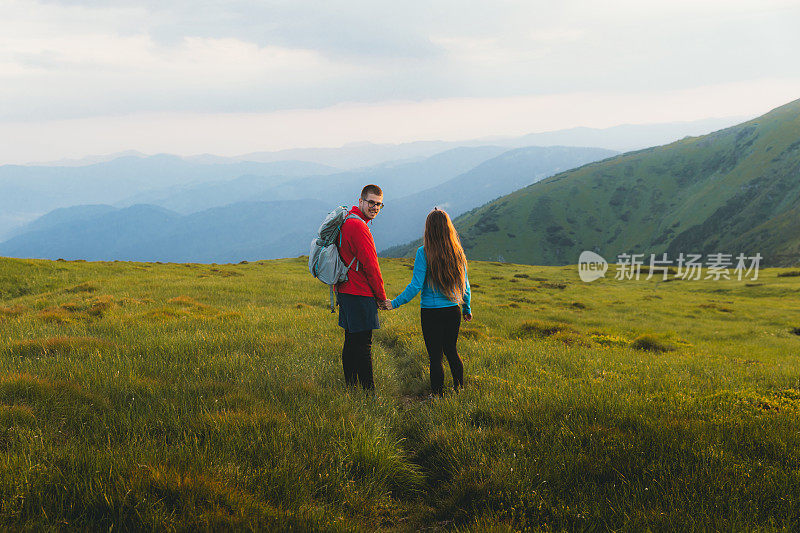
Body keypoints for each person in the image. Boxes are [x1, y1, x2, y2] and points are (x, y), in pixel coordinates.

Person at [384, 208, 472, 395]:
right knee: (452, 351)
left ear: (428, 229)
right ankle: (459, 391)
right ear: (448, 228)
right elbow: (465, 285)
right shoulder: (457, 252)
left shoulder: (423, 252)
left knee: (435, 357)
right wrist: (467, 308)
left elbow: (415, 286)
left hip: (431, 313)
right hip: (452, 311)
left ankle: (438, 396)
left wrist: (395, 303)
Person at [336, 184, 387, 390]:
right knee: (364, 345)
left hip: (345, 291)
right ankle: (369, 393)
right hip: (359, 293)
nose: (375, 207)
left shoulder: (347, 219)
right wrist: (381, 296)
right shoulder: (359, 227)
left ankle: (351, 386)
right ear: (361, 201)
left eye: (379, 204)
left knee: (351, 341)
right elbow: (371, 266)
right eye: (371, 202)